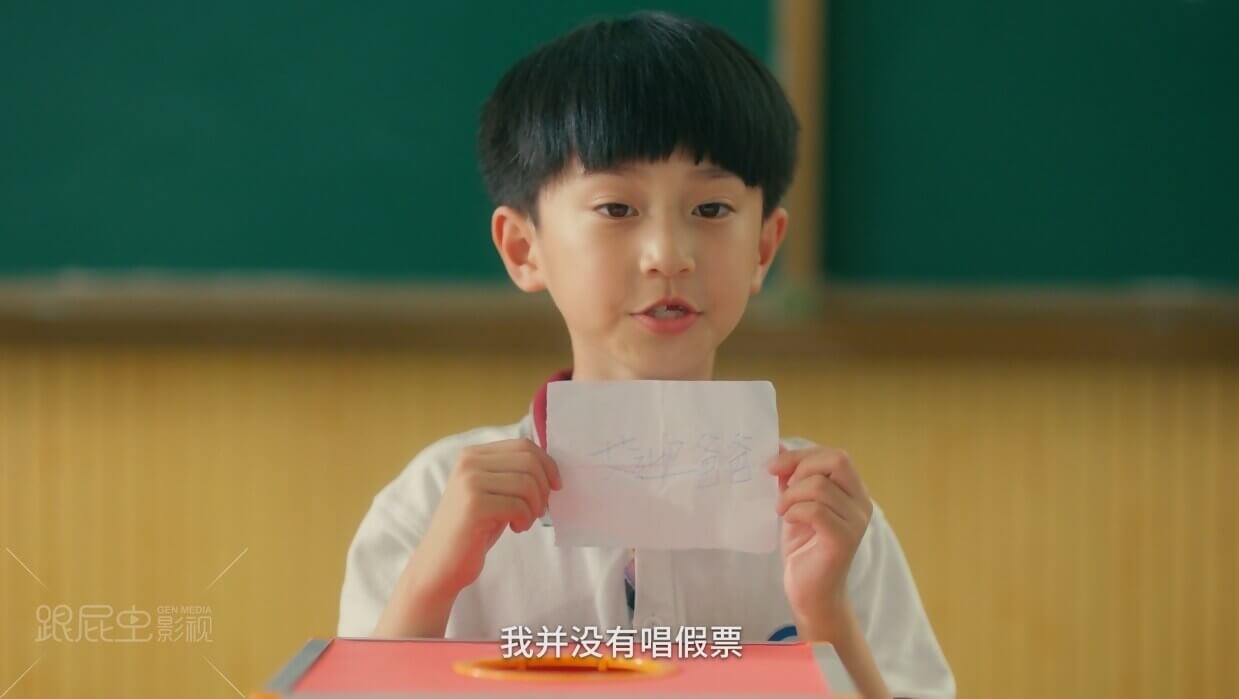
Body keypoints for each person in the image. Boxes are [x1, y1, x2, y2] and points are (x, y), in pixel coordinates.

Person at [338, 12, 954, 698]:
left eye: (712, 210)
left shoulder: (825, 518)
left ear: (763, 247)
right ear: (523, 247)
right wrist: (433, 582)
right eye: (616, 209)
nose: (668, 255)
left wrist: (824, 613)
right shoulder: (431, 502)